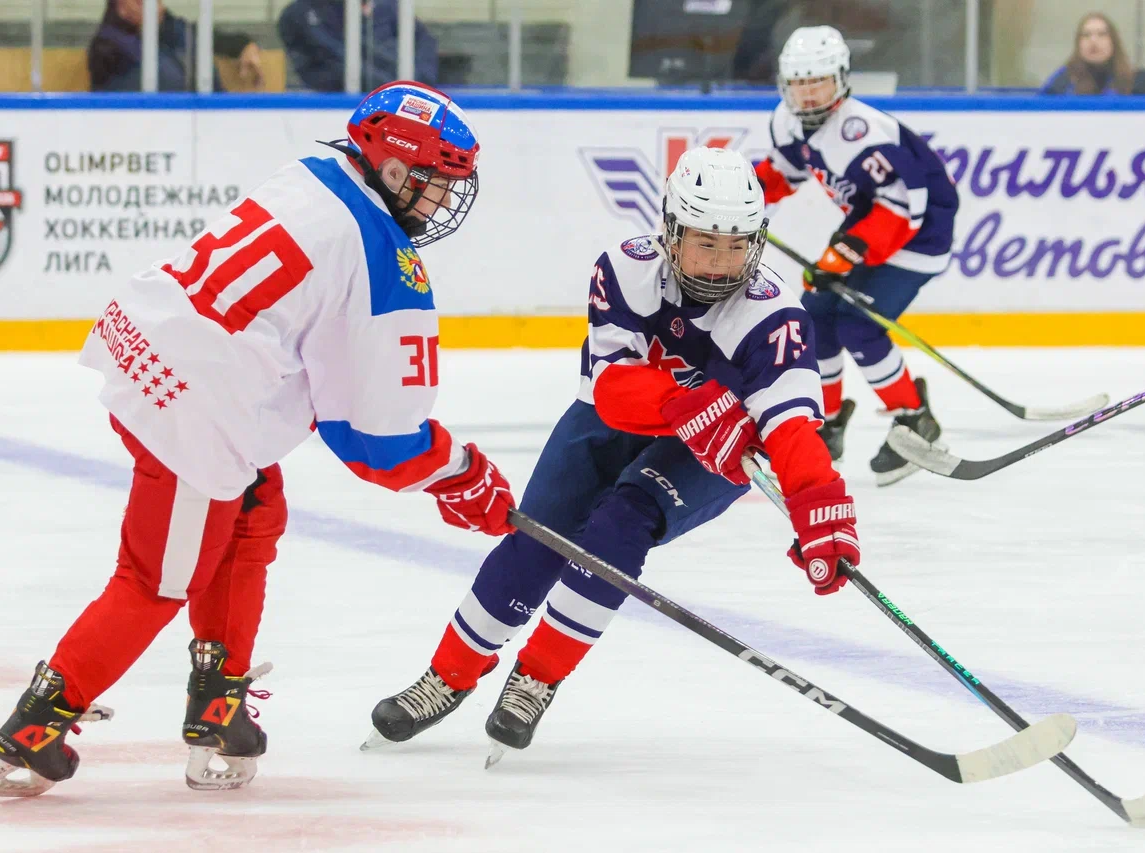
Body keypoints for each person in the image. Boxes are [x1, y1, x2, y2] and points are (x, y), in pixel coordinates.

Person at [0, 82, 515, 797]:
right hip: (195, 412)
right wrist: (462, 475)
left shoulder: (315, 175)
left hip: (149, 342)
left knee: (255, 509)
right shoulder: (386, 257)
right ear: (388, 169)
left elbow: (314, 361)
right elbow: (377, 442)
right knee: (155, 579)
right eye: (433, 182)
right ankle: (40, 719)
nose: (442, 201)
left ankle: (219, 701)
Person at [365, 146, 860, 765]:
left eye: (737, 245)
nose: (722, 262)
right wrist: (692, 402)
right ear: (672, 232)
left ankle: (538, 676)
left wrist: (818, 505)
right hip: (622, 417)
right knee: (537, 536)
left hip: (714, 449)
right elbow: (612, 390)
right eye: (706, 243)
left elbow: (791, 430)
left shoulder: (774, 313)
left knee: (621, 524)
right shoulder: (625, 270)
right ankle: (449, 674)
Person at [753, 25, 959, 486]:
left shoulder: (864, 131)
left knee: (859, 325)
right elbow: (784, 172)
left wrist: (844, 253)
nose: (808, 95)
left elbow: (904, 205)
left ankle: (914, 417)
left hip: (920, 233)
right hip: (869, 223)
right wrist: (741, 193)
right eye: (799, 83)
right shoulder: (787, 122)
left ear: (842, 78)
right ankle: (826, 424)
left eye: (818, 81)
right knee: (815, 316)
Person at [88, 0, 264, 92]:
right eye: (140, 2)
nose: (157, 8)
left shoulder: (172, 29)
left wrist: (242, 45)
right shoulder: (107, 47)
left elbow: (204, 37)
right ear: (120, 6)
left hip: (208, 126)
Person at [278, 0, 439, 92]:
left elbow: (424, 41)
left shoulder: (386, 5)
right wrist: (394, 88)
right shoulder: (300, 14)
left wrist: (421, 81)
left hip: (399, 93)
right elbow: (336, 57)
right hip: (336, 103)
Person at [1040, 12, 1134, 95]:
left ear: (1113, 42)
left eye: (1101, 34)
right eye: (1086, 35)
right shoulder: (1063, 80)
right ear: (1078, 44)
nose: (1093, 41)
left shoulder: (1131, 82)